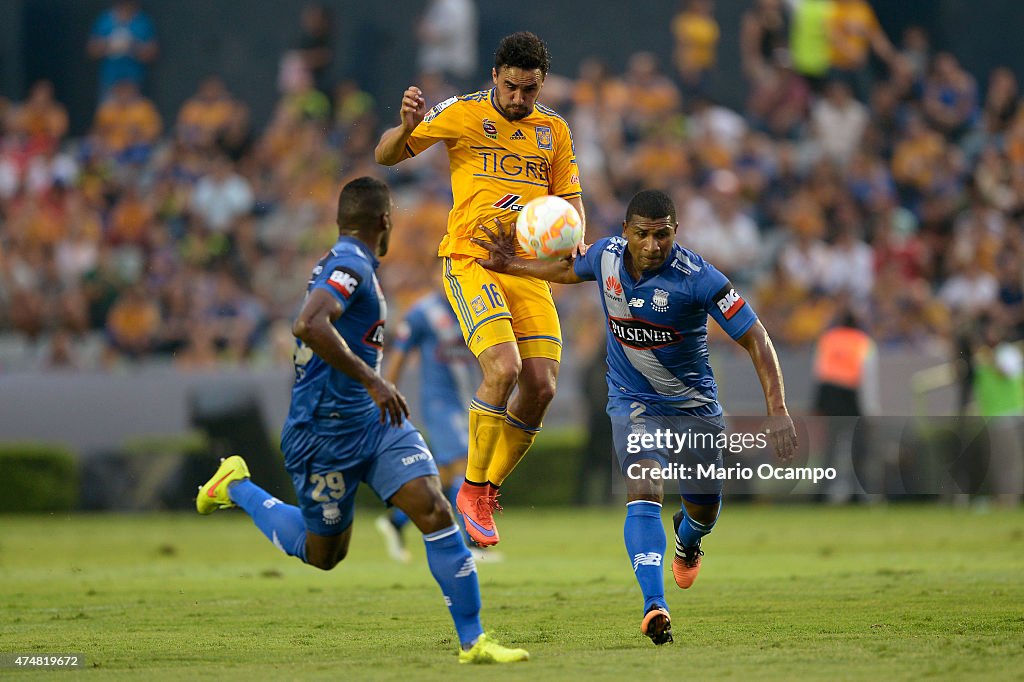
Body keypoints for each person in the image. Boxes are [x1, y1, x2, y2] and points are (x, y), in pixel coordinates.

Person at [195, 177, 528, 664]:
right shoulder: (350, 265)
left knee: (434, 509)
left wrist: (371, 391)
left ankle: (473, 641)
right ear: (384, 222)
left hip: (374, 424)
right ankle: (237, 485)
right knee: (324, 554)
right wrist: (373, 380)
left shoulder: (351, 262)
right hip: (322, 429)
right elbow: (308, 323)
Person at [471, 189, 798, 645]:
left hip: (693, 409)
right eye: (642, 234)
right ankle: (654, 605)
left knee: (702, 509)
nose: (652, 245)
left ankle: (688, 539)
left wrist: (777, 410)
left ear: (675, 232)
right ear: (626, 232)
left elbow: (756, 338)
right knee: (643, 485)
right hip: (633, 401)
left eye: (662, 234)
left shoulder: (700, 278)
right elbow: (568, 269)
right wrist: (511, 265)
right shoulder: (605, 256)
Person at [375, 32, 585, 547]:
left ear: (542, 84)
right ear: (495, 76)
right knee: (505, 368)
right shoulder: (462, 112)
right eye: (511, 87)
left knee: (541, 386)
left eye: (529, 90)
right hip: (471, 261)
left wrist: (571, 235)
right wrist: (405, 129)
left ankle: (482, 490)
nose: (519, 99)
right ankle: (471, 489)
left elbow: (572, 207)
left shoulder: (554, 131)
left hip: (524, 267)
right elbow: (385, 157)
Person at [375, 289, 489, 562]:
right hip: (439, 404)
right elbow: (399, 357)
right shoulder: (422, 313)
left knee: (444, 477)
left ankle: (396, 521)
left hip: (465, 400)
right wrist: (386, 400)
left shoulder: (472, 308)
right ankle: (471, 545)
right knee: (465, 464)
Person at [87, 0, 158, 100]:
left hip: (134, 80)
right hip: (110, 80)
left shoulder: (142, 21)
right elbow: (92, 50)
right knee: (108, 113)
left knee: (137, 114)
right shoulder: (105, 20)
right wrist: (108, 43)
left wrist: (133, 46)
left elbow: (152, 53)